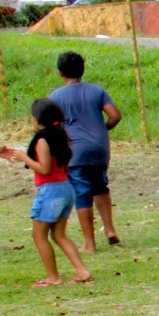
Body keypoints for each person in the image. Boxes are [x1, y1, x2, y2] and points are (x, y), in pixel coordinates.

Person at [0, 98, 91, 286]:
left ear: (38, 120)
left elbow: (44, 169)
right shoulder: (60, 136)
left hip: (50, 191)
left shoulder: (41, 140)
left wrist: (24, 158)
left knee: (39, 235)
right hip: (66, 188)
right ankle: (82, 270)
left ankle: (53, 277)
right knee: (59, 234)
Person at [48, 52, 123, 251]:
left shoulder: (55, 97)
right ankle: (110, 230)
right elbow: (115, 115)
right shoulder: (97, 91)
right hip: (99, 148)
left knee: (82, 194)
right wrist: (103, 129)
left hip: (75, 151)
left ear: (60, 72)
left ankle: (90, 243)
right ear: (82, 70)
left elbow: (51, 126)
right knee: (100, 187)